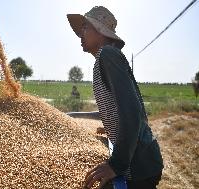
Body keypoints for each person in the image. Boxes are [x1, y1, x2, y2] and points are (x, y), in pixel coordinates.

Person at [67, 6, 163, 189]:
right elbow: (116, 107)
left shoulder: (108, 55)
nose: (80, 34)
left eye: (85, 27)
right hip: (141, 162)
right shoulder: (105, 58)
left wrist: (115, 165)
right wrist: (75, 115)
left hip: (139, 166)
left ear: (100, 31)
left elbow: (133, 112)